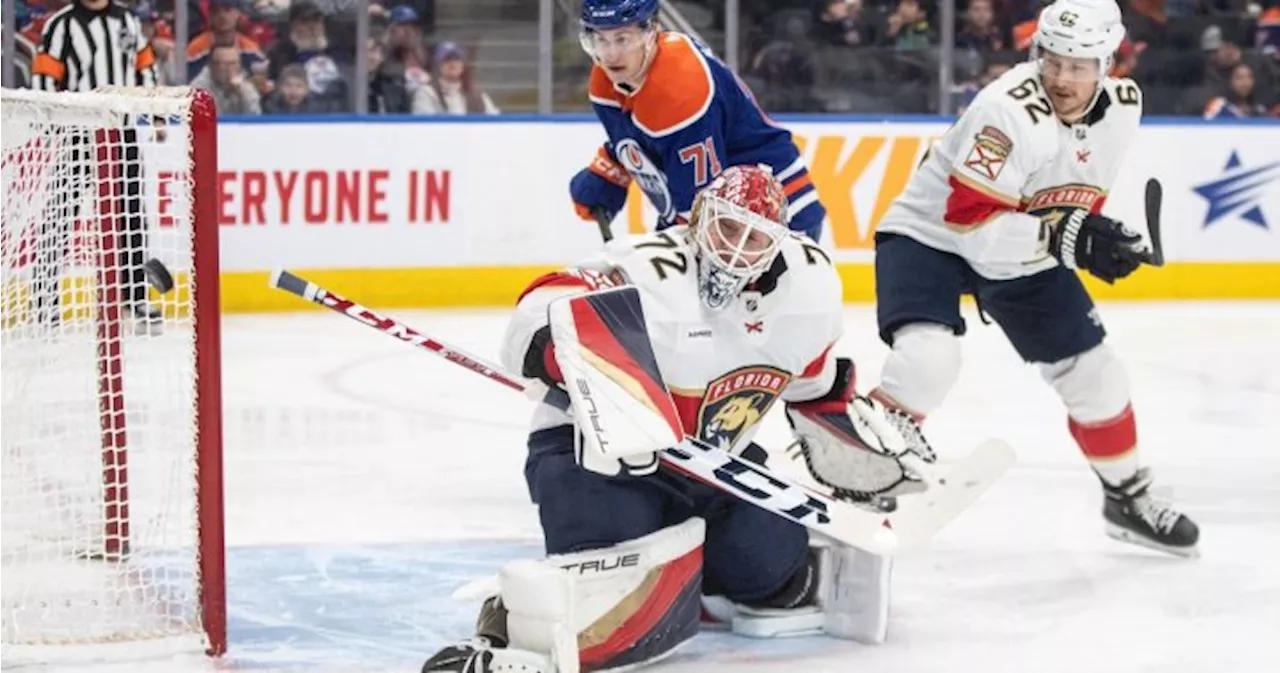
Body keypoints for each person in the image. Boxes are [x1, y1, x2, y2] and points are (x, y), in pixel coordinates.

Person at [420, 166, 935, 673]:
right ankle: (511, 629)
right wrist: (583, 363)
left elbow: (814, 387)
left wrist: (853, 441)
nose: (735, 248)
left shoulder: (810, 288)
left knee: (776, 570)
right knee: (618, 587)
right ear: (700, 218)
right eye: (728, 227)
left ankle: (698, 579)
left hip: (716, 461)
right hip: (595, 453)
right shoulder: (648, 266)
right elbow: (544, 303)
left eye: (755, 238)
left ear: (780, 245)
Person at [868, 0, 1199, 556]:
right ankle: (860, 475)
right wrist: (1072, 238)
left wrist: (1097, 237)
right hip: (931, 237)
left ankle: (1127, 498)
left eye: (1080, 65)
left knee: (1098, 377)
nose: (1063, 78)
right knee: (927, 363)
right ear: (1035, 53)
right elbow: (969, 224)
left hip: (1020, 251)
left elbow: (1072, 197)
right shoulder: (1006, 110)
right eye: (1053, 60)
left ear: (1107, 64)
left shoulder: (1124, 107)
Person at [568, 0, 826, 242]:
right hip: (720, 212)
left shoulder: (680, 87)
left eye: (622, 39)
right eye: (599, 40)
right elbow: (639, 134)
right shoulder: (607, 79)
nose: (610, 55)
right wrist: (610, 170)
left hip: (773, 214)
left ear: (651, 32)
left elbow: (699, 210)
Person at [30, 0, 163, 334]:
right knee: (60, 216)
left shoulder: (128, 21)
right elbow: (45, 79)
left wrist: (157, 110)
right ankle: (45, 303)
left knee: (131, 217)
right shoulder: (60, 25)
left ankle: (134, 298)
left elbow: (144, 67)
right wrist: (54, 125)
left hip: (122, 134)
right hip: (78, 134)